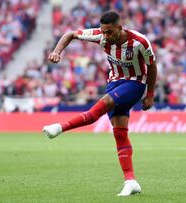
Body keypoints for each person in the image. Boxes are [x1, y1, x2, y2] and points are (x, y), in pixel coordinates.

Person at [42, 11, 157, 196]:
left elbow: (152, 66)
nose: (106, 36)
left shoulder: (139, 41)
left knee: (97, 110)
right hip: (114, 83)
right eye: (103, 32)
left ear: (119, 28)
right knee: (120, 133)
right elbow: (70, 34)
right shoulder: (101, 36)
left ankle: (60, 128)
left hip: (135, 83)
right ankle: (131, 181)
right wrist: (57, 51)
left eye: (110, 32)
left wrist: (150, 94)